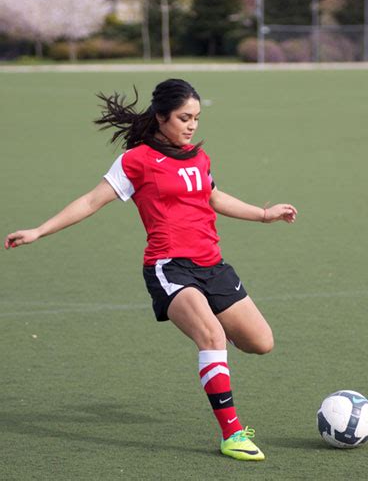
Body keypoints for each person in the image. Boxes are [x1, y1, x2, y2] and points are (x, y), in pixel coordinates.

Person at [4, 78, 297, 462]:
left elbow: (212, 196)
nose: (191, 125)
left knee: (261, 342)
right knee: (212, 338)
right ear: (161, 117)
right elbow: (92, 201)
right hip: (169, 267)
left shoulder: (196, 156)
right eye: (183, 118)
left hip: (212, 265)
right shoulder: (136, 161)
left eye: (196, 118)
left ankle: (210, 336)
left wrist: (263, 214)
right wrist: (39, 230)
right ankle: (232, 433)